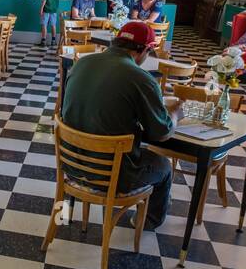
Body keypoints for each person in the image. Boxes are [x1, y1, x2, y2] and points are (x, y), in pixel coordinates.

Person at [60, 20, 181, 231]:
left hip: (71, 164)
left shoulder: (82, 63)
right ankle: (147, 222)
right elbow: (161, 133)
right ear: (144, 49)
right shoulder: (141, 78)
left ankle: (66, 214)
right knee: (163, 166)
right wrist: (175, 115)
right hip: (110, 174)